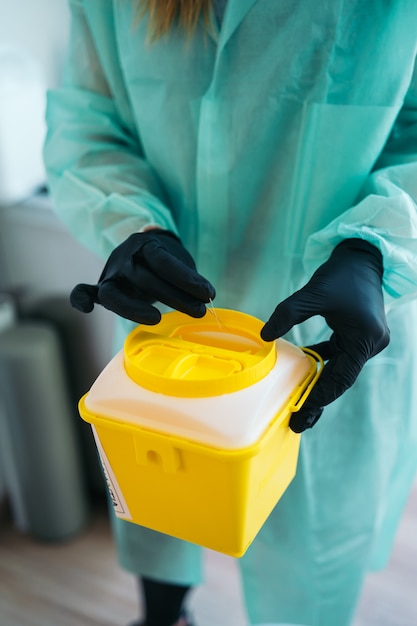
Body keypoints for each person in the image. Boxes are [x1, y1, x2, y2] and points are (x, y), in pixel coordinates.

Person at [43, 1, 417, 625]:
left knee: (310, 549)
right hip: (167, 317)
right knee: (156, 494)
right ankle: (163, 617)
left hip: (327, 323)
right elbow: (90, 119)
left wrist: (373, 249)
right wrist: (135, 225)